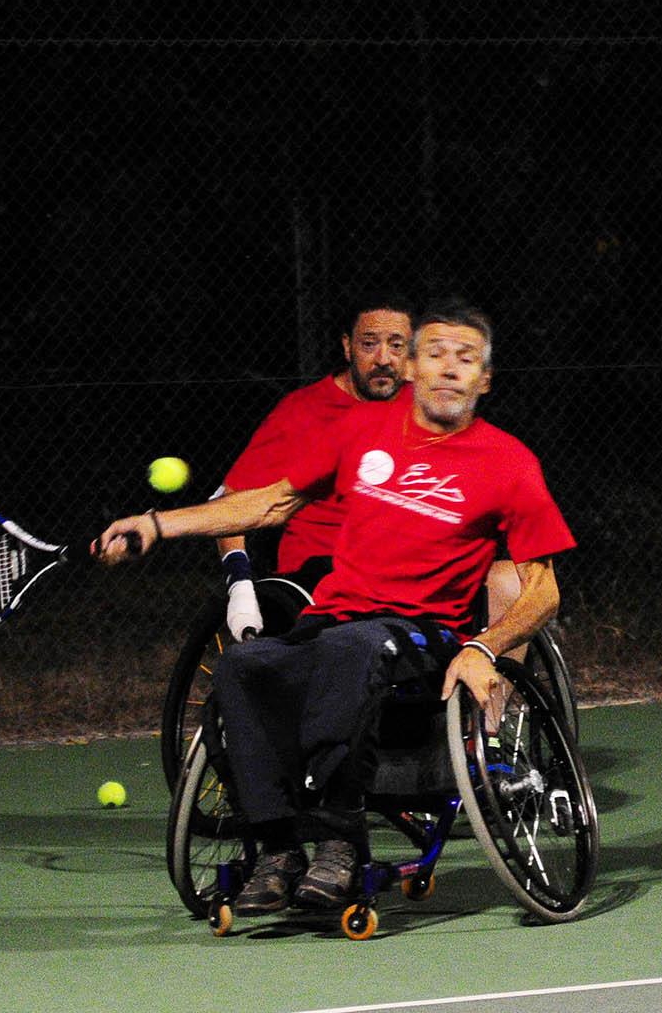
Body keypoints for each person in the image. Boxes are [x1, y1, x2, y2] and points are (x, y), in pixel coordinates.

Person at [98, 303, 574, 916]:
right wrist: (157, 525)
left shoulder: (509, 462)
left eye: (467, 358)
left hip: (424, 634)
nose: (450, 369)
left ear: (485, 379)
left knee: (353, 649)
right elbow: (269, 504)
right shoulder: (362, 432)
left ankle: (339, 841)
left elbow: (544, 589)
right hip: (337, 620)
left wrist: (485, 646)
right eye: (435, 354)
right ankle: (275, 847)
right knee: (246, 667)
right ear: (409, 368)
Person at [213, 297, 412, 640]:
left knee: (506, 582)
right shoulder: (303, 412)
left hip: (411, 570)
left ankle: (494, 694)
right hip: (321, 578)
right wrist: (240, 586)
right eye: (369, 344)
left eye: (396, 345)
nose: (383, 359)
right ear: (347, 347)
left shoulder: (425, 408)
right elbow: (230, 502)